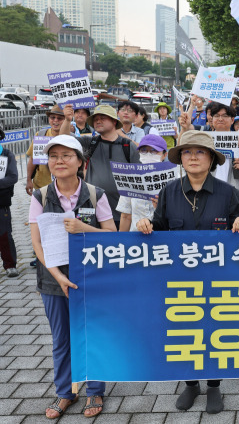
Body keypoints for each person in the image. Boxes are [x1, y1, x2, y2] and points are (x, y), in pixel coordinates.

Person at [136, 130, 239, 415]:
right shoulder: (169, 192)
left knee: (215, 331)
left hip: (218, 279)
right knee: (184, 331)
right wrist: (146, 225)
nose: (194, 157)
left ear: (211, 159)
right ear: (180, 159)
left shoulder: (228, 193)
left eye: (201, 152)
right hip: (179, 281)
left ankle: (213, 385)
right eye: (187, 152)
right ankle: (190, 383)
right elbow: (159, 229)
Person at [29, 135, 116, 419]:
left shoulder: (95, 194)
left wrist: (82, 228)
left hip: (92, 277)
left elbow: (113, 237)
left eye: (67, 156)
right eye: (53, 156)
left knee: (92, 333)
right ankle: (65, 392)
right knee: (61, 339)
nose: (59, 161)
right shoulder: (40, 195)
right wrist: (58, 277)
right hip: (54, 281)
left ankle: (95, 391)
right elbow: (37, 244)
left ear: (80, 161)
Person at [61, 104, 141, 230]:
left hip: (121, 213)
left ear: (114, 121)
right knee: (89, 242)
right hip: (89, 208)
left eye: (103, 117)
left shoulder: (128, 146)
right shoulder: (90, 143)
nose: (98, 121)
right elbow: (64, 140)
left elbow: (139, 179)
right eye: (95, 119)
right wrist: (67, 120)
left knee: (116, 245)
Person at [116, 134, 169, 232]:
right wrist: (121, 241)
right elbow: (126, 216)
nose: (148, 154)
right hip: (136, 240)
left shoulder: (174, 179)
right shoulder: (131, 178)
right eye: (144, 151)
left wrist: (161, 206)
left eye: (154, 151)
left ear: (164, 155)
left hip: (163, 239)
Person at [26, 104, 65, 196]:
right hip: (41, 186)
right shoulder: (40, 134)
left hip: (64, 187)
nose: (55, 120)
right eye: (52, 117)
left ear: (65, 120)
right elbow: (32, 160)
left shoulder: (70, 137)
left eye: (59, 118)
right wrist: (28, 180)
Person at [0, 137, 19, 277]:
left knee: (4, 234)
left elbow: (13, 177)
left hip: (2, 202)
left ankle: (10, 265)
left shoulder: (7, 155)